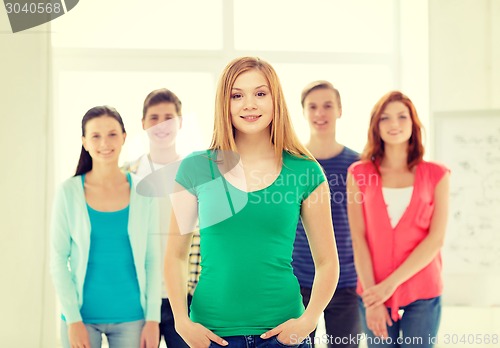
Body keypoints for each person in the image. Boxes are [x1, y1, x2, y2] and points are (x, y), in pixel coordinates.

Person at [164, 56, 340, 348]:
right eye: (237, 95)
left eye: (260, 93)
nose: (249, 104)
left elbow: (327, 261)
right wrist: (182, 322)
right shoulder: (194, 168)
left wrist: (308, 321)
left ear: (275, 101)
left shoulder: (305, 171)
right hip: (211, 335)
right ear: (225, 103)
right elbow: (175, 256)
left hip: (283, 335)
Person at [50, 106, 161, 348]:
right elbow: (58, 259)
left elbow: (153, 258)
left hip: (133, 318)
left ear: (124, 137)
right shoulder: (68, 192)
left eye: (112, 134)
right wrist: (72, 319)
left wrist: (153, 319)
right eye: (95, 136)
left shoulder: (145, 191)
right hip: (81, 318)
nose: (105, 143)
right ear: (85, 142)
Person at [346, 91, 450, 348]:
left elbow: (435, 240)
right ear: (375, 125)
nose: (394, 124)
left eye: (402, 117)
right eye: (385, 118)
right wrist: (374, 297)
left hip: (423, 290)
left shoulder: (437, 174)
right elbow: (358, 239)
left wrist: (388, 287)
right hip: (372, 290)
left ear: (413, 123)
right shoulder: (359, 173)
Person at [292, 81, 361, 348]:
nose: (320, 113)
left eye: (328, 106)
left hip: (346, 283)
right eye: (313, 107)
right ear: (304, 112)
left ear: (340, 110)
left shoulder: (358, 164)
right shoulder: (292, 162)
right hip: (298, 281)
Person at [122, 88, 193, 347]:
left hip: (186, 296)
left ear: (180, 122)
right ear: (143, 123)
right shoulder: (126, 175)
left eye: (168, 117)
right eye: (154, 117)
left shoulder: (196, 174)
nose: (161, 124)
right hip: (137, 295)